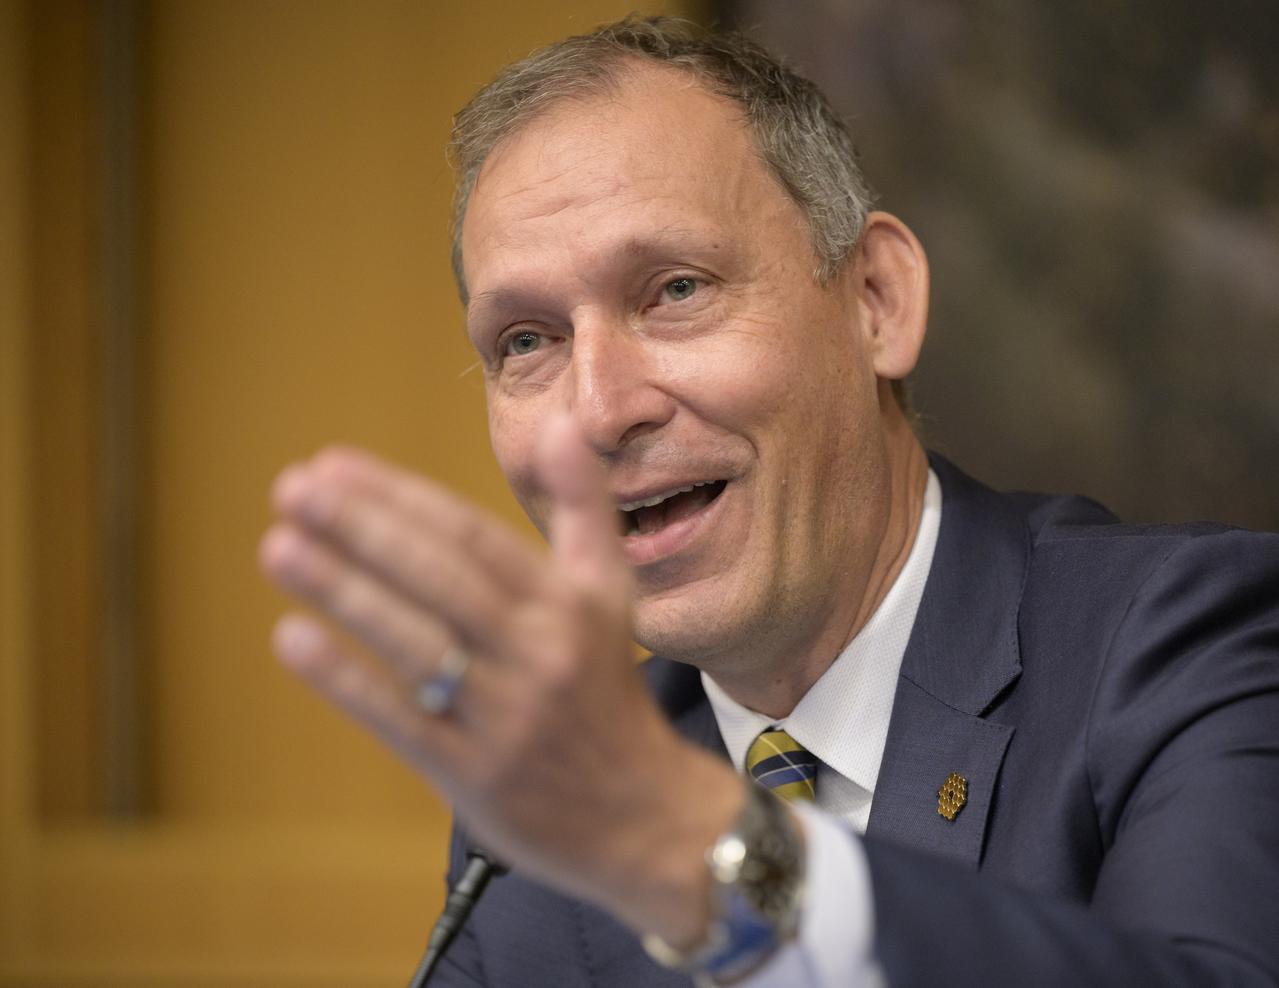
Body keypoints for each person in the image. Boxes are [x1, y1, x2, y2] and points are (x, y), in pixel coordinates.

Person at [259, 16, 1279, 987]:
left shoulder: (1180, 641)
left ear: (876, 300)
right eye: (525, 341)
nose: (599, 409)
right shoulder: (545, 810)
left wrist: (696, 844)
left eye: (675, 290)